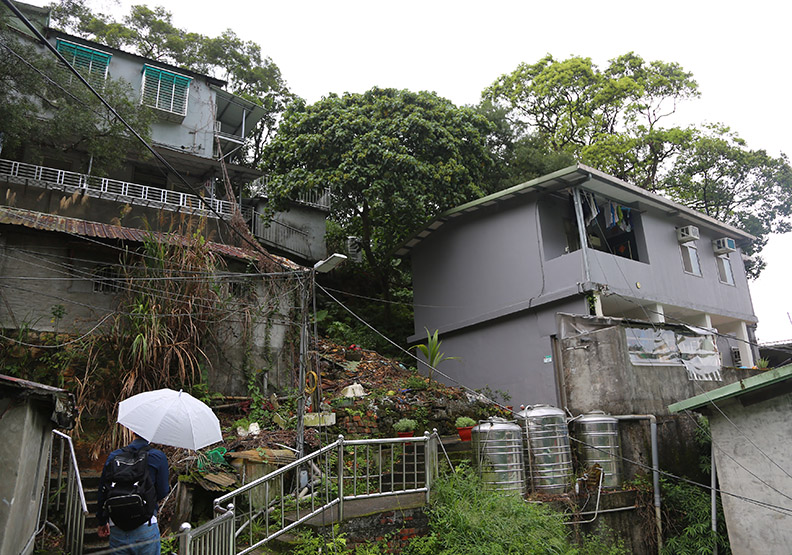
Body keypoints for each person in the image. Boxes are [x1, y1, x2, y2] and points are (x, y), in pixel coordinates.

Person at [97, 433, 169, 555]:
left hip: (117, 525)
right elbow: (163, 491)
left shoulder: (114, 456)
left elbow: (103, 491)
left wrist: (102, 521)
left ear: (132, 432)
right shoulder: (157, 457)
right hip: (146, 524)